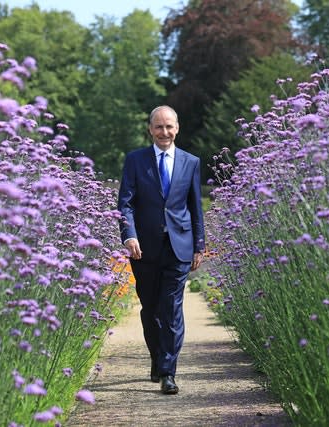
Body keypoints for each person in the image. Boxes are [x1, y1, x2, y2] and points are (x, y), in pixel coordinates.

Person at [117, 105, 205, 395]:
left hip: (179, 247)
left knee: (171, 309)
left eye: (169, 127)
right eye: (158, 127)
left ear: (177, 128)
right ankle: (157, 357)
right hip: (144, 249)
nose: (164, 132)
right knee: (151, 309)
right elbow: (125, 204)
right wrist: (129, 236)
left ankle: (168, 371)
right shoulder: (135, 161)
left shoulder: (191, 162)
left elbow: (195, 207)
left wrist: (199, 246)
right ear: (150, 129)